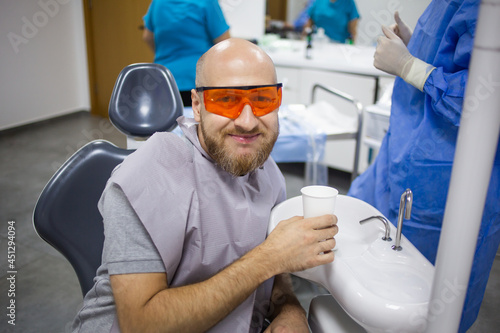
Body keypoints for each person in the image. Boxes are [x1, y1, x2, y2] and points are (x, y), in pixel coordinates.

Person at [71, 38, 338, 333]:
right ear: (197, 106)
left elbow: (275, 277)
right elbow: (141, 324)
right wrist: (269, 257)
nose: (247, 122)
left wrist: (289, 309)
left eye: (262, 100)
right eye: (226, 100)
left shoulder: (268, 172)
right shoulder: (150, 175)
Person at [348, 1, 500, 332]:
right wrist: (416, 45)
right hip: (404, 152)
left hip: (444, 176)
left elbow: (485, 99)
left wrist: (409, 66)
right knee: (375, 258)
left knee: (427, 300)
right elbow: (459, 57)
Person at [142, 0, 230, 107]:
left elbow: (147, 37)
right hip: (199, 79)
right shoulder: (207, 2)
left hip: (164, 80)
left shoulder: (158, 2)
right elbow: (224, 43)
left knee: (170, 122)